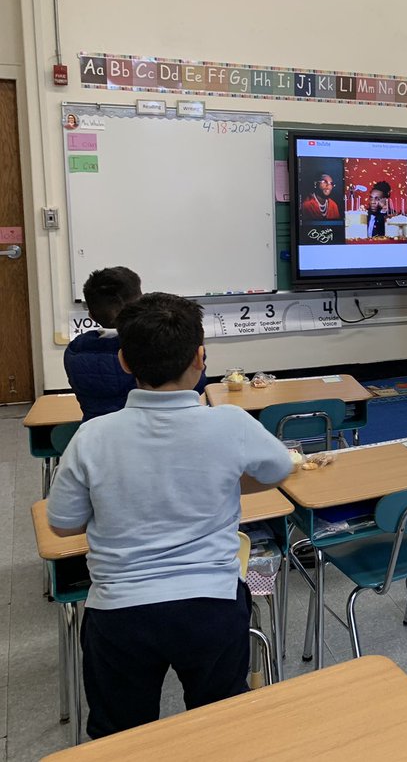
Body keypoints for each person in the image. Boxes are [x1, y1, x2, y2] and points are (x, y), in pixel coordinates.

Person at [46, 293, 294, 739]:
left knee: (121, 735)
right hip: (212, 602)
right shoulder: (231, 423)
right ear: (201, 359)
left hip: (120, 611)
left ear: (123, 361)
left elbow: (62, 524)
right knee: (221, 727)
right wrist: (218, 482)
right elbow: (279, 469)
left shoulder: (91, 437)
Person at [64, 267, 205, 420]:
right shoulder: (157, 343)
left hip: (102, 434)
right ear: (141, 304)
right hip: (164, 428)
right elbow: (194, 385)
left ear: (91, 315)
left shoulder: (75, 352)